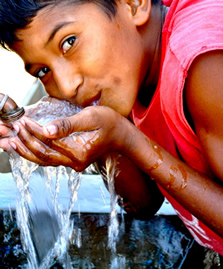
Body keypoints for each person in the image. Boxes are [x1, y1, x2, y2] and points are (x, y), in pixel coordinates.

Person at [0, 0, 223, 256]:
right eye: (43, 71)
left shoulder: (206, 65)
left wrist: (129, 140)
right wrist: (98, 134)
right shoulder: (129, 62)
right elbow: (143, 203)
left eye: (69, 42)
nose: (66, 86)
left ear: (134, 4)